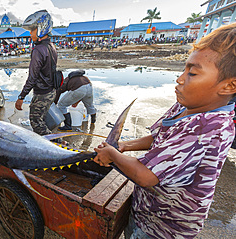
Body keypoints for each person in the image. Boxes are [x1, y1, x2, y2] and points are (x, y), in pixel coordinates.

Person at [93, 23, 236, 239]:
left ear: (228, 87)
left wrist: (113, 155)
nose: (179, 79)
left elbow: (145, 176)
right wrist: (124, 146)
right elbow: (160, 137)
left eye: (193, 73)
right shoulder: (188, 105)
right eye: (184, 69)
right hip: (146, 209)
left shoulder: (208, 126)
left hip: (164, 229)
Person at [15, 10, 56, 135]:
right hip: (51, 91)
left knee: (36, 123)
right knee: (42, 120)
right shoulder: (51, 46)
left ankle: (58, 145)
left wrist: (21, 97)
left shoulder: (38, 50)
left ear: (41, 29)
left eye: (32, 30)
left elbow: (32, 77)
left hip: (42, 93)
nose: (30, 33)